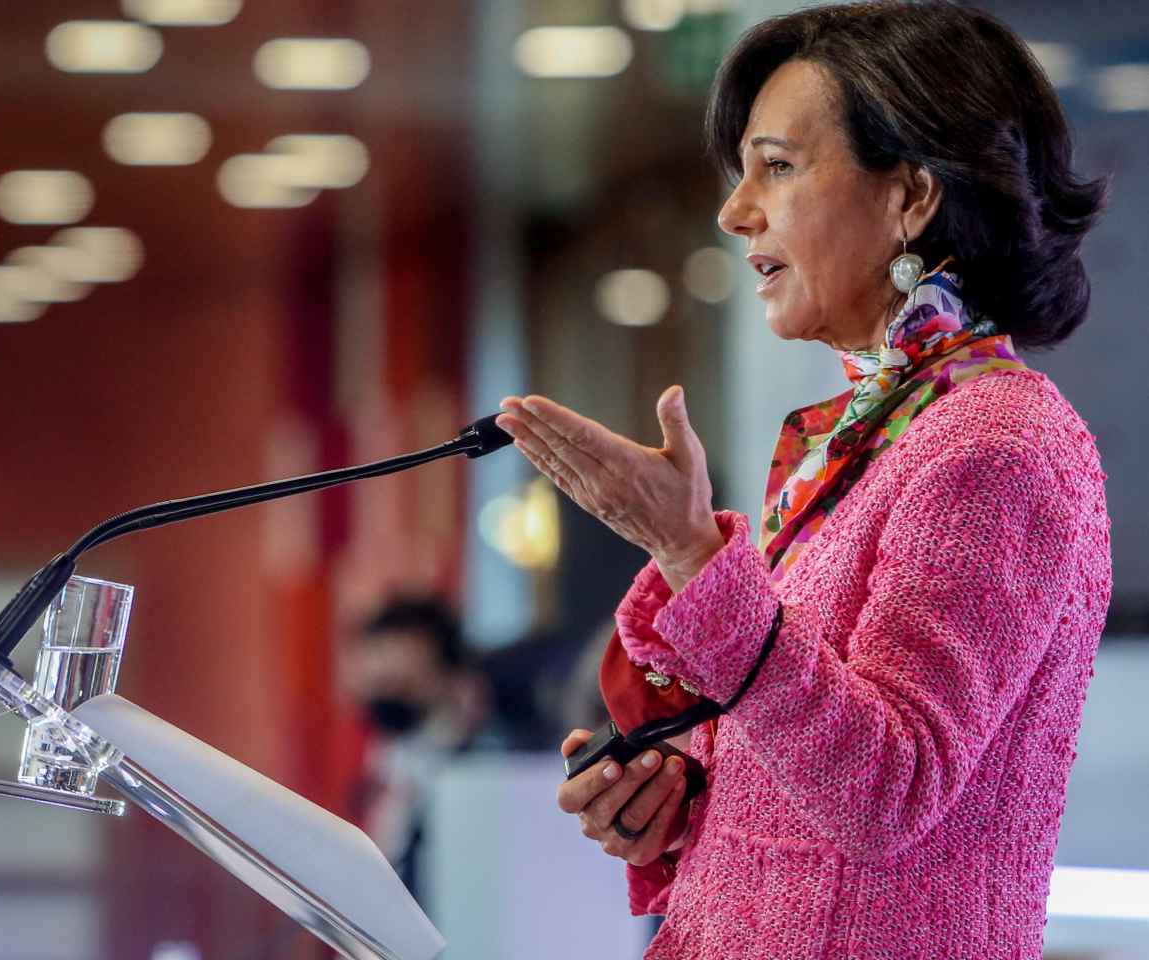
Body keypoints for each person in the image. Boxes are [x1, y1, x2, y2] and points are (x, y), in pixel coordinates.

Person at [494, 2, 1111, 956]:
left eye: (777, 167)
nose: (736, 211)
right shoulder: (879, 432)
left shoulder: (998, 446)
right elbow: (805, 753)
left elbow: (890, 789)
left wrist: (692, 552)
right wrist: (677, 790)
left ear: (911, 197)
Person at [340, 597, 495, 903]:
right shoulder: (389, 772)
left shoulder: (491, 760)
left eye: (404, 685)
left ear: (455, 681)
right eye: (379, 685)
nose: (386, 694)